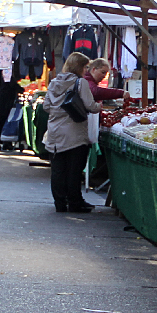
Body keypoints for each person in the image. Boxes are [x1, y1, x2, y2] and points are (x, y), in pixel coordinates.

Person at [43, 52, 102, 213]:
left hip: (55, 132)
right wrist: (99, 106)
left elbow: (46, 106)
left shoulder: (54, 82)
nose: (86, 70)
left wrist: (58, 112)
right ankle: (74, 201)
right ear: (79, 67)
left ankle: (59, 202)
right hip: (74, 131)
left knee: (58, 169)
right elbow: (90, 105)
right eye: (85, 67)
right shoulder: (80, 82)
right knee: (74, 170)